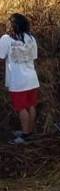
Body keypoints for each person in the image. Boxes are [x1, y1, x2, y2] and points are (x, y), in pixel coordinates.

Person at [0, 13, 40, 144]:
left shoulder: (6, 39)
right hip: (32, 79)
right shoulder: (31, 38)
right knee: (31, 106)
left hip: (18, 81)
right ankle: (29, 131)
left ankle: (25, 135)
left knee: (21, 108)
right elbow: (34, 57)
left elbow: (1, 56)